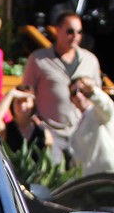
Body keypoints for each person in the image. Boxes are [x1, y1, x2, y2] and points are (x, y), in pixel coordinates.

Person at [7, 10, 101, 156]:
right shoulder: (38, 59)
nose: (75, 36)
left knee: (80, 171)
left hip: (82, 131)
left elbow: (98, 97)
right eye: (70, 31)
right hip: (51, 133)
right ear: (57, 30)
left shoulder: (90, 60)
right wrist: (38, 126)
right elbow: (27, 94)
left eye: (79, 32)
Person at [67, 77, 114, 176]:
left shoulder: (99, 112)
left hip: (111, 176)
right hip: (90, 179)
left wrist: (93, 91)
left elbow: (106, 106)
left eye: (82, 91)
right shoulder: (76, 123)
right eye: (74, 93)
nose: (79, 95)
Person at [2, 85, 52, 162]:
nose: (22, 105)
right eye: (18, 101)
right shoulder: (6, 129)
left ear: (33, 104)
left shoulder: (41, 130)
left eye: (26, 101)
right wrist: (11, 94)